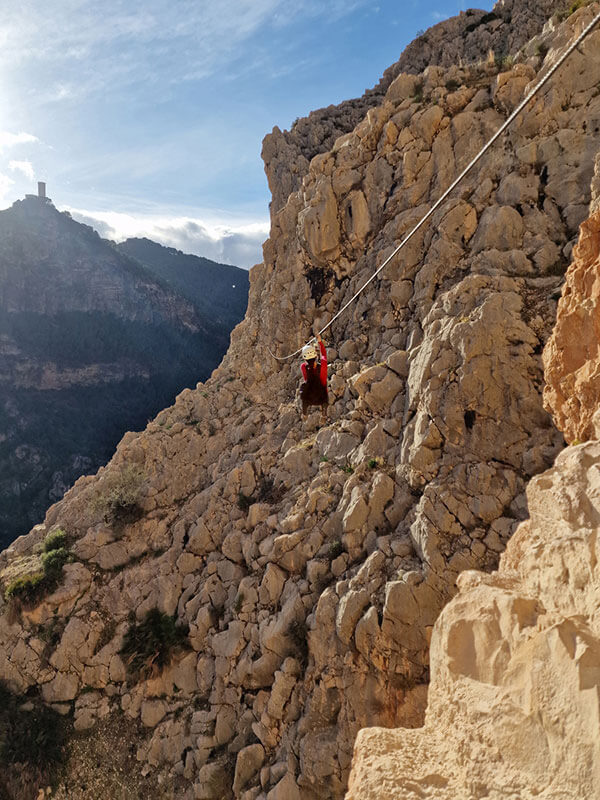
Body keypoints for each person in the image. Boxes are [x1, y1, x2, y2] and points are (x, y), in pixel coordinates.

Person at [300, 333, 328, 422]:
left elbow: (306, 378)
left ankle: (304, 413)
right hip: (321, 397)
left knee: (304, 392)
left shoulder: (303, 367)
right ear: (315, 355)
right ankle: (324, 415)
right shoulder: (323, 364)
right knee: (325, 397)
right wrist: (319, 342)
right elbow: (324, 354)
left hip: (309, 397)